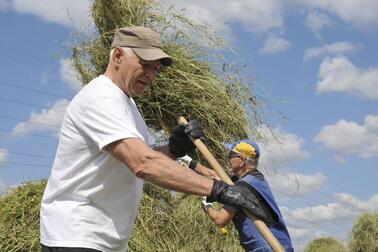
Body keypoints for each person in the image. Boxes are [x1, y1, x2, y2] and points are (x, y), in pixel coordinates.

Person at [39, 26, 269, 252]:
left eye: (155, 69)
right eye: (145, 65)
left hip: (105, 239)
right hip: (76, 235)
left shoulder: (128, 105)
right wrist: (219, 190)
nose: (151, 75)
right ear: (118, 56)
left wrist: (174, 148)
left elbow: (138, 157)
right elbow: (142, 163)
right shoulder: (101, 97)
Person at [201, 140, 294, 252]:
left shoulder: (242, 188)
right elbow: (215, 175)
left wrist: (206, 205)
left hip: (269, 248)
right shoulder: (255, 179)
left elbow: (220, 220)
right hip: (279, 245)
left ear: (241, 160)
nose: (228, 159)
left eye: (231, 155)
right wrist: (189, 162)